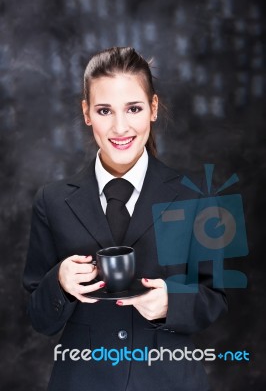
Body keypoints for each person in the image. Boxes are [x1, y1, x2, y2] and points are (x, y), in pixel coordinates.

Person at [23, 46, 227, 391]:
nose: (120, 127)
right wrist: (59, 282)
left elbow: (217, 298)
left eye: (133, 108)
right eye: (105, 110)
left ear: (153, 108)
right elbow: (38, 316)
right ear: (87, 113)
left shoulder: (201, 195)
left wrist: (172, 302)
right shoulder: (51, 201)